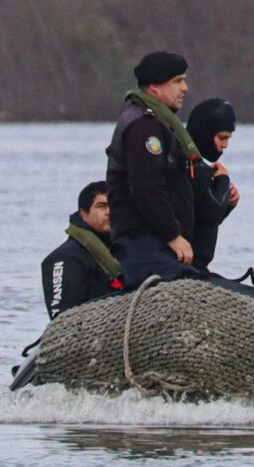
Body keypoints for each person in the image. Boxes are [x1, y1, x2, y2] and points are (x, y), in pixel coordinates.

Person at [105, 51, 202, 288]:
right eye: (177, 81)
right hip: (143, 242)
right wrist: (173, 235)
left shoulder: (155, 122)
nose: (185, 88)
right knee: (190, 288)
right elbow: (146, 187)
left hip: (155, 241)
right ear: (155, 88)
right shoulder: (145, 127)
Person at [41, 181, 121, 320]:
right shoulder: (65, 259)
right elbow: (61, 318)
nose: (109, 212)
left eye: (113, 205)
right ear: (84, 214)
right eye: (102, 206)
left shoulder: (123, 251)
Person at [186, 98, 240, 272]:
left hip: (195, 263)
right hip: (189, 264)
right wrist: (223, 181)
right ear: (205, 133)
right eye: (221, 138)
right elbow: (211, 212)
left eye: (228, 139)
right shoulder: (195, 169)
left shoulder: (194, 165)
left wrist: (228, 203)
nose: (225, 145)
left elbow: (206, 219)